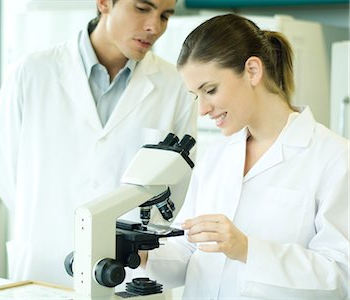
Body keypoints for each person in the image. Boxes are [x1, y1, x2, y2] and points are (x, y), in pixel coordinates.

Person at [0, 0, 197, 287]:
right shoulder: (31, 72)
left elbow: (178, 188)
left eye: (165, 15)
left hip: (130, 272)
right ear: (103, 3)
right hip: (46, 259)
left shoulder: (176, 86)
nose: (154, 27)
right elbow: (6, 173)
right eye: (142, 8)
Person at [141, 13, 349, 299]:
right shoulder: (217, 156)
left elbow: (341, 275)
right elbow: (190, 248)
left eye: (210, 90)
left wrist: (247, 249)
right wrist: (143, 254)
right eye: (195, 95)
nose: (202, 109)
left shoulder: (333, 158)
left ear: (252, 71)